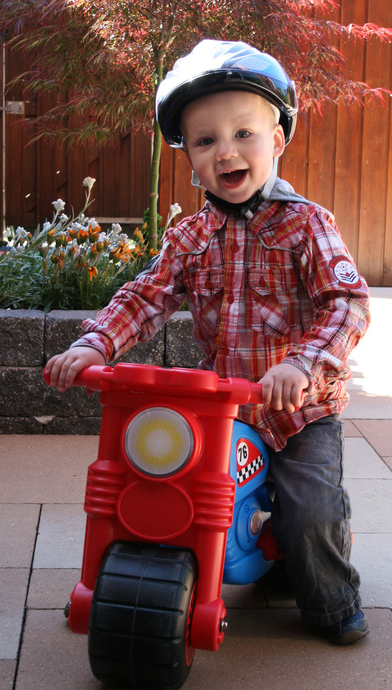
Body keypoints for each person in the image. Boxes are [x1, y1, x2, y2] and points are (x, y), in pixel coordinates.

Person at [45, 40, 370, 644]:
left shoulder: (307, 225)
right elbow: (147, 296)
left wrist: (303, 363)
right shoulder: (190, 236)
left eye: (244, 133)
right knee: (161, 484)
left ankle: (333, 600)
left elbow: (348, 303)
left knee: (307, 510)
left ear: (276, 141)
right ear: (189, 158)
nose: (226, 151)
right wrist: (96, 345)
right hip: (225, 410)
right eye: (205, 141)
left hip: (300, 411)